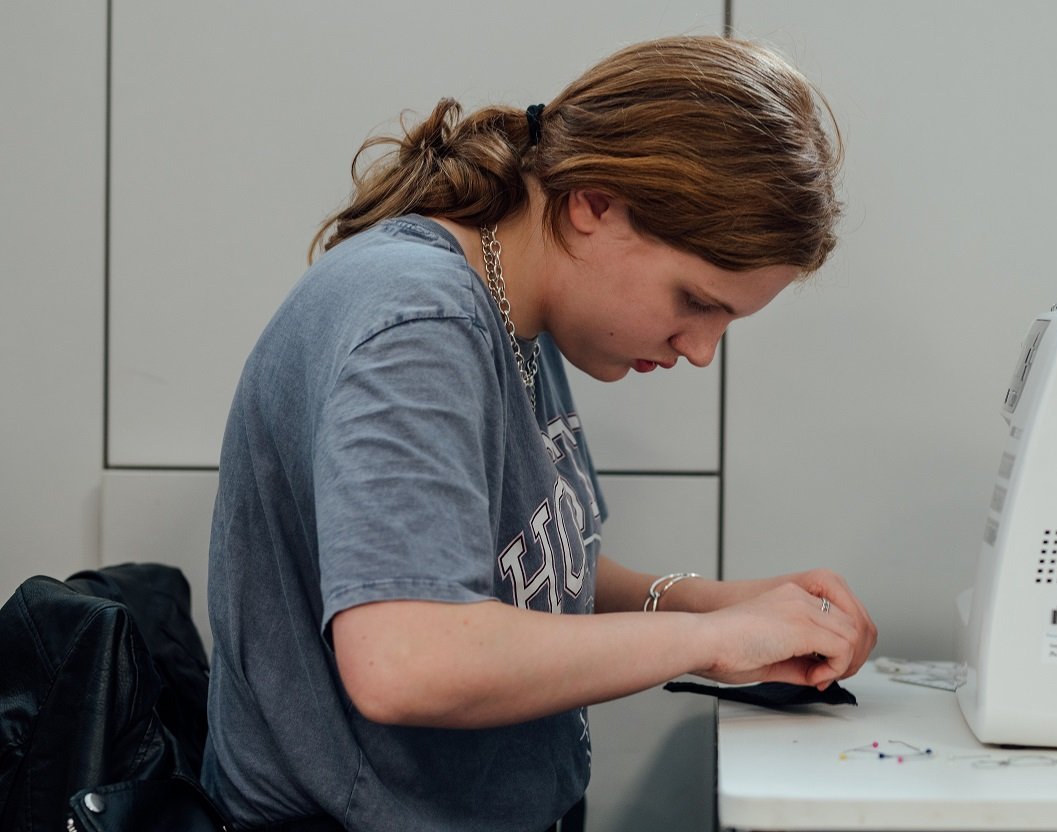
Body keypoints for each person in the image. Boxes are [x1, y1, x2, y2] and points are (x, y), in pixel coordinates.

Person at [201, 34, 876, 832]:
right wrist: (716, 640)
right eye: (696, 301)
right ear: (593, 203)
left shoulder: (511, 304)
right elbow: (408, 660)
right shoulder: (420, 326)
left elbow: (512, 577)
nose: (699, 351)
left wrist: (708, 605)